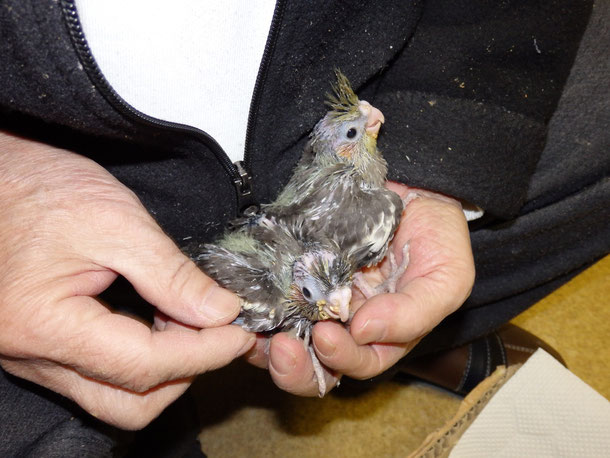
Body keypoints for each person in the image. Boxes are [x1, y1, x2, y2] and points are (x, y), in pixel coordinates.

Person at [1, 0, 607, 455]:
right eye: (357, 130)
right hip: (67, 214)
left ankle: (408, 344)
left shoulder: (349, 195)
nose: (372, 121)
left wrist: (442, 150)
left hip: (344, 90)